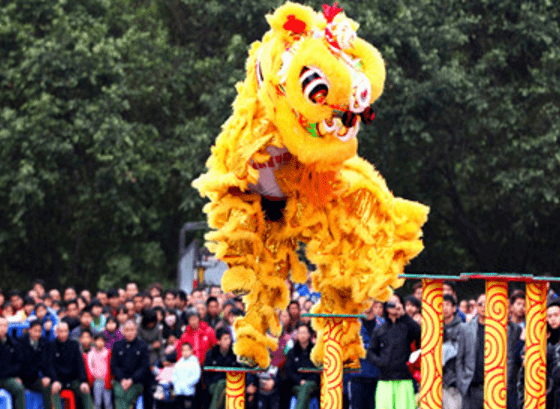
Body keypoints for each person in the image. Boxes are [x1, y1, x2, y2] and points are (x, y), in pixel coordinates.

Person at [367, 294, 421, 409]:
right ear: (386, 306)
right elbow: (370, 353)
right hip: (384, 380)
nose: (395, 305)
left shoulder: (407, 326)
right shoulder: (380, 329)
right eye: (391, 303)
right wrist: (381, 362)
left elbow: (420, 335)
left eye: (397, 302)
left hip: (404, 379)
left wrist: (404, 315)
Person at [348, 302, 383, 409]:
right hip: (357, 376)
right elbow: (349, 346)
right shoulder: (353, 323)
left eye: (370, 299)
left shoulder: (382, 323)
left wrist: (365, 347)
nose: (368, 302)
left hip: (378, 376)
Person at [50, 321, 93, 409]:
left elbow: (80, 364)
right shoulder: (51, 346)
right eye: (61, 331)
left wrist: (83, 381)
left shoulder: (74, 345)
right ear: (57, 332)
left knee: (85, 390)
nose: (63, 334)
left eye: (65, 331)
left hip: (73, 379)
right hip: (59, 380)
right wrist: (54, 380)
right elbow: (50, 366)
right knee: (54, 390)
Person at [456, 293, 486, 409]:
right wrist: (461, 382)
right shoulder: (466, 328)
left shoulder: (501, 330)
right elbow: (460, 358)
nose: (484, 307)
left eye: (487, 304)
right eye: (480, 304)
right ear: (476, 307)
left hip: (495, 388)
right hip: (472, 387)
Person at [111, 320, 150, 409]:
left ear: (136, 330)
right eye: (127, 330)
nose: (130, 333)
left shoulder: (142, 345)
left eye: (132, 330)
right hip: (120, 381)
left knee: (127, 397)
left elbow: (144, 367)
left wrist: (131, 380)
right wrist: (122, 380)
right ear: (123, 331)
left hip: (136, 381)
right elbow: (114, 365)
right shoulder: (117, 345)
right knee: (120, 395)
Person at [18, 320, 55, 409]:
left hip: (38, 377)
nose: (37, 334)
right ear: (29, 330)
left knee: (49, 385)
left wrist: (47, 377)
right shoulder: (21, 343)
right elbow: (20, 363)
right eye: (35, 330)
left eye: (39, 331)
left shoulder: (44, 342)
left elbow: (47, 363)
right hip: (25, 377)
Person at [285, 323, 320, 409]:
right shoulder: (292, 352)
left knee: (306, 388)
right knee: (303, 390)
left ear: (309, 335)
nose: (302, 335)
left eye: (304, 332)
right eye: (300, 333)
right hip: (297, 384)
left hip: (312, 383)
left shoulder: (315, 351)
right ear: (297, 335)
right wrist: (299, 381)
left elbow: (318, 370)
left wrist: (308, 381)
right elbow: (289, 371)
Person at [203, 327, 238, 409]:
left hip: (232, 383)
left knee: (223, 386)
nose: (228, 342)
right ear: (218, 341)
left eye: (229, 338)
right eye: (225, 339)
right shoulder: (211, 353)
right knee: (222, 385)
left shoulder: (235, 353)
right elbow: (206, 373)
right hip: (214, 384)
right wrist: (208, 386)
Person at [441, 294, 464, 409]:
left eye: (447, 305)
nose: (444, 308)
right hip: (437, 380)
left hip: (454, 381)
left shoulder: (462, 328)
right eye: (441, 305)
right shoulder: (434, 327)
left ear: (454, 308)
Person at [0, 316, 25, 409]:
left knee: (19, 388)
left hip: (8, 378)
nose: (2, 328)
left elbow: (19, 363)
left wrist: (16, 376)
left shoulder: (14, 344)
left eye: (4, 325)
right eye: (0, 325)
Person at [172, 342, 201, 409]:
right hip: (179, 392)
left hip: (189, 391)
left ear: (191, 351)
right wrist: (176, 385)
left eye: (187, 350)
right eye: (183, 350)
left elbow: (196, 376)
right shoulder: (179, 363)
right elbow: (174, 375)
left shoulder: (194, 363)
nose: (185, 352)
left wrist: (188, 384)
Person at [88, 333, 113, 409]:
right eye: (98, 340)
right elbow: (90, 365)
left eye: (102, 340)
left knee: (108, 402)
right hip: (97, 380)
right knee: (97, 402)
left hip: (106, 381)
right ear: (94, 341)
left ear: (105, 342)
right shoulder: (91, 353)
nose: (100, 342)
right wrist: (93, 374)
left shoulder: (107, 352)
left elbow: (110, 365)